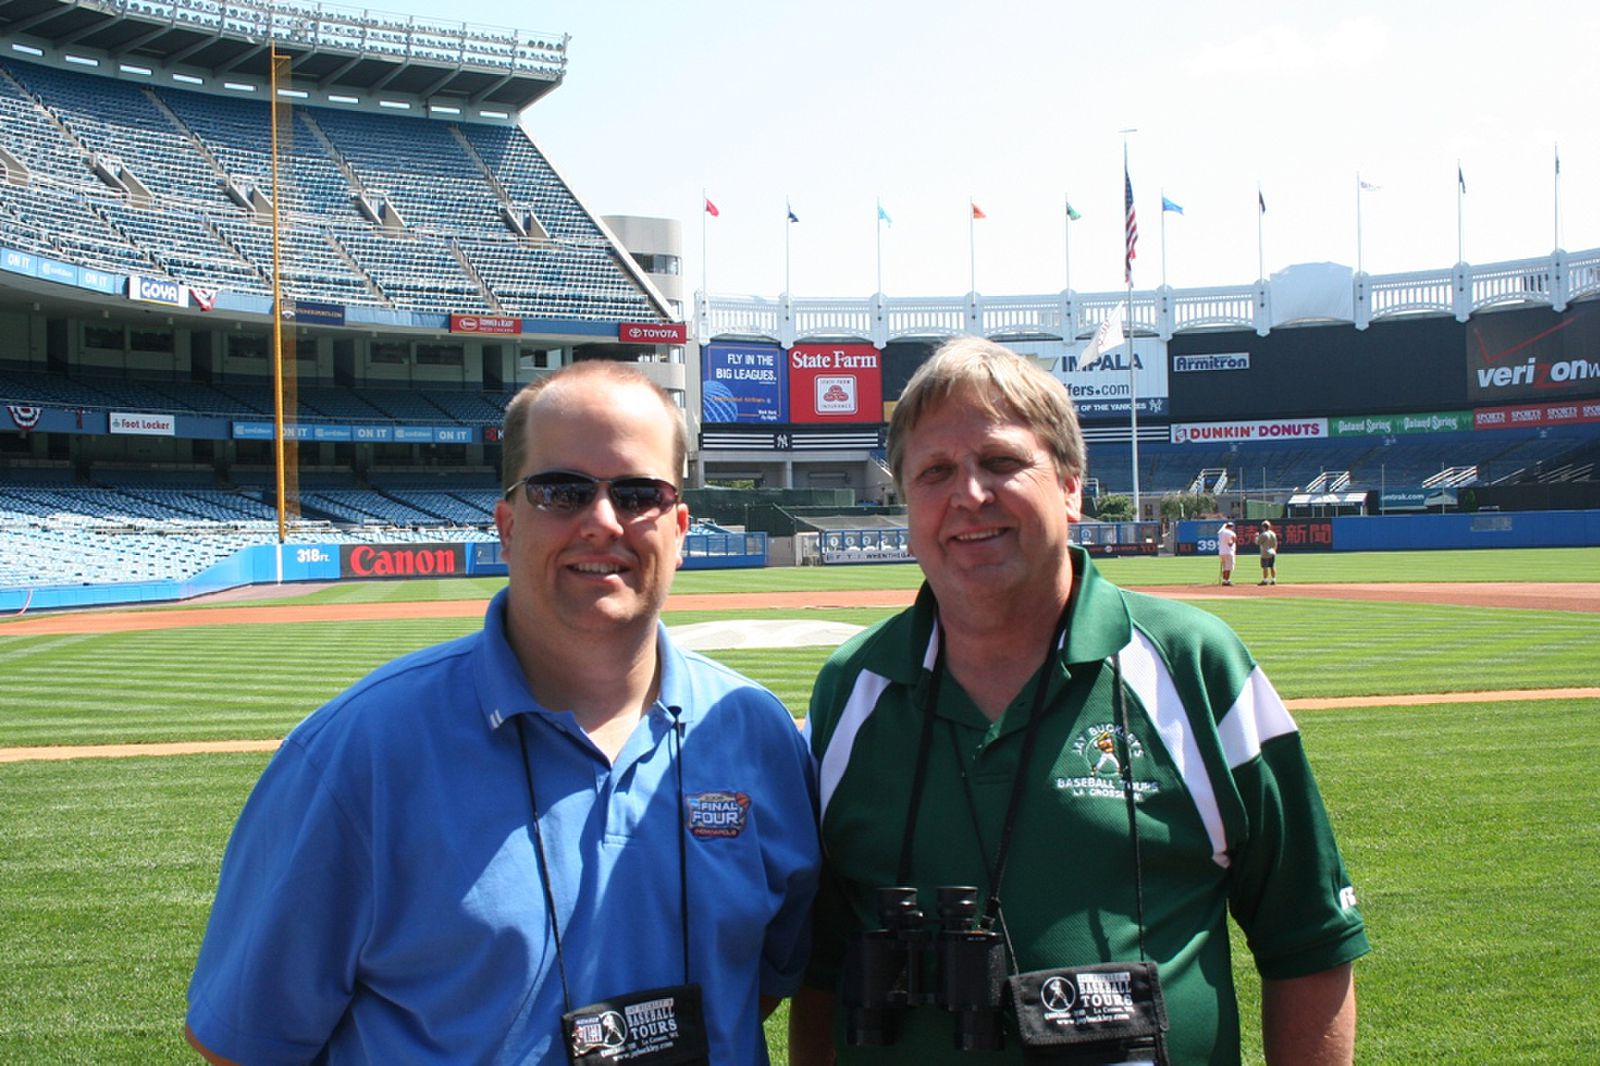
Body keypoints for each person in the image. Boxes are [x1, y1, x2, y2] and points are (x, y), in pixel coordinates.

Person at [186, 362, 820, 1065]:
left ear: (678, 526)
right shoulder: (357, 753)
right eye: (562, 491)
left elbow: (757, 988)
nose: (602, 521)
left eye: (638, 493)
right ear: (508, 522)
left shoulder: (758, 734)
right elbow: (246, 1045)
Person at [790, 338, 1367, 1065]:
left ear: (1070, 485)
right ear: (906, 501)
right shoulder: (851, 691)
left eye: (1001, 462)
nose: (969, 494)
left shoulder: (1195, 665)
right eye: (935, 471)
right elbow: (819, 970)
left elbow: (1308, 937)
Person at [1258, 519, 1280, 586]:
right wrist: (1274, 550)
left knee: (1265, 567)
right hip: (1272, 552)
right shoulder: (1273, 534)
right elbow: (1275, 543)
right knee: (1272, 566)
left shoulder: (1264, 534)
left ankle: (1265, 580)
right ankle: (1273, 580)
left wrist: (1256, 537)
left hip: (1265, 552)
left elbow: (1258, 542)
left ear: (1263, 527)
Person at [1218, 520, 1237, 585]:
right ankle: (1227, 580)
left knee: (1224, 567)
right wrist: (1231, 542)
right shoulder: (1232, 533)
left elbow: (1220, 530)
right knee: (1228, 567)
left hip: (1221, 552)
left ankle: (1224, 580)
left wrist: (1224, 525)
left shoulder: (1221, 532)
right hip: (1229, 552)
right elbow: (1232, 541)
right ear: (1231, 527)